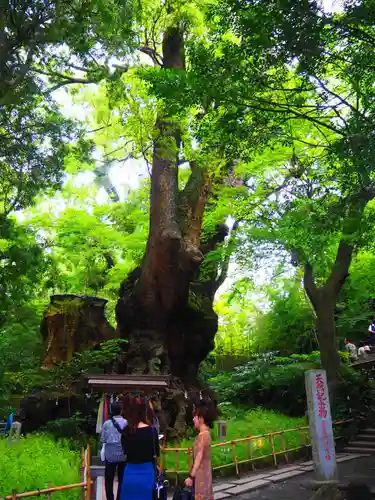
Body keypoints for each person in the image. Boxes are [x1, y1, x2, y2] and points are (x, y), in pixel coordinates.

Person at [120, 397, 159, 500]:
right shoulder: (152, 431)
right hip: (147, 472)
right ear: (144, 411)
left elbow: (125, 451)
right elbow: (156, 453)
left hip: (130, 471)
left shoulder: (126, 431)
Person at [185, 403, 218, 500]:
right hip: (206, 472)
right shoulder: (207, 433)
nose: (193, 419)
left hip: (201, 474)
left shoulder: (202, 435)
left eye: (195, 417)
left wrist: (191, 476)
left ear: (201, 418)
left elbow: (199, 456)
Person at [100, 402, 127, 500]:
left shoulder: (106, 424)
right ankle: (119, 497)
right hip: (123, 455)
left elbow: (103, 439)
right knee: (121, 479)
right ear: (121, 410)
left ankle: (110, 498)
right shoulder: (126, 423)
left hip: (110, 455)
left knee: (109, 479)